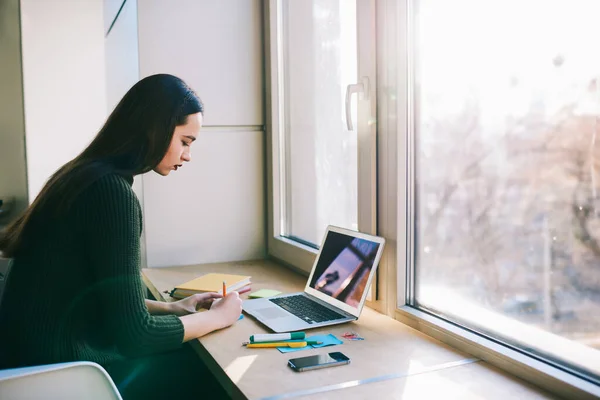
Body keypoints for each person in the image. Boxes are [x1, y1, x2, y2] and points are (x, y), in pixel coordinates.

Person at [0, 74, 242, 399]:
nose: (188, 156)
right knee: (217, 375)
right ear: (155, 129)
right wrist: (218, 318)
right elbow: (136, 336)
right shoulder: (112, 194)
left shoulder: (81, 175)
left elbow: (91, 297)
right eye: (185, 141)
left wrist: (173, 308)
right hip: (67, 372)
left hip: (29, 361)